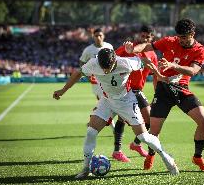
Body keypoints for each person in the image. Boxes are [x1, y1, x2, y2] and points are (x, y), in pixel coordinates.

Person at [53, 48, 179, 179]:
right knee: (91, 132)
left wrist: (160, 75)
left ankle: (167, 158)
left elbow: (145, 61)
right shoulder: (93, 63)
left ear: (115, 60)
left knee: (143, 137)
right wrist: (63, 90)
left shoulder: (126, 62)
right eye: (103, 68)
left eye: (109, 67)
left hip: (126, 101)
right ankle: (85, 169)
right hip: (107, 101)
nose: (106, 71)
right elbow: (78, 73)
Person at [126, 18, 204, 171]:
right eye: (179, 37)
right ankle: (151, 154)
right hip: (163, 90)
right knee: (154, 131)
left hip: (182, 90)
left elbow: (193, 71)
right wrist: (134, 49)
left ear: (193, 34)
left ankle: (197, 157)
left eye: (184, 37)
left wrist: (173, 65)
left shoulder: (201, 50)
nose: (181, 40)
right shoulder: (169, 41)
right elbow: (147, 45)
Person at [111, 25, 158, 162]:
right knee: (122, 119)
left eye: (147, 37)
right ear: (139, 35)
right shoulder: (129, 48)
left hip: (138, 90)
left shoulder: (153, 54)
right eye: (142, 36)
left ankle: (136, 144)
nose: (144, 39)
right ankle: (117, 151)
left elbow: (155, 74)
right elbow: (112, 57)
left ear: (152, 38)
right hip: (125, 89)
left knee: (149, 120)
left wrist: (157, 92)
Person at [53, 28, 115, 129]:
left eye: (100, 35)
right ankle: (112, 128)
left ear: (103, 36)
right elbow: (81, 62)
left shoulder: (109, 46)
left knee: (105, 103)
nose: (98, 38)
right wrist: (88, 74)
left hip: (109, 80)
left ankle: (94, 121)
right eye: (96, 36)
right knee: (105, 102)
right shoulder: (88, 50)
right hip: (96, 81)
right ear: (93, 37)